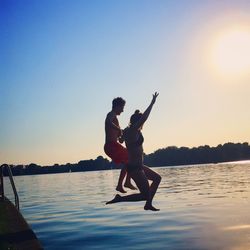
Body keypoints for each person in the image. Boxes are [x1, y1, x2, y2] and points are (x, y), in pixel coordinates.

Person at [106, 92, 161, 211]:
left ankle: (148, 204)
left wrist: (120, 134)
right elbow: (144, 117)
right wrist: (152, 103)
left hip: (139, 166)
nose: (143, 124)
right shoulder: (132, 129)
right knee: (145, 195)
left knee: (157, 179)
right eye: (141, 122)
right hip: (135, 168)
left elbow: (121, 139)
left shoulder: (130, 131)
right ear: (137, 122)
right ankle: (120, 198)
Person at [104, 97, 136, 193]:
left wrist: (122, 136)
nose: (123, 110)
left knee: (130, 160)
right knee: (131, 158)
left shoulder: (116, 119)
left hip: (113, 145)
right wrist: (119, 129)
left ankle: (125, 183)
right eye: (122, 107)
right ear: (117, 106)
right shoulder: (111, 114)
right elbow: (108, 122)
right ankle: (124, 183)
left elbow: (119, 138)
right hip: (110, 146)